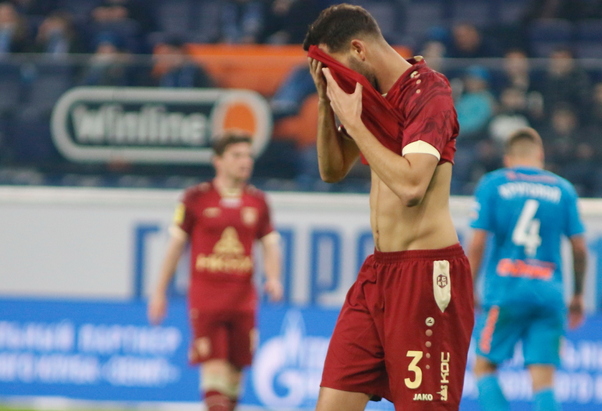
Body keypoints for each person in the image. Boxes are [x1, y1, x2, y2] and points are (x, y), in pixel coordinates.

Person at [304, 4, 474, 411]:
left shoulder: (429, 93)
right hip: (379, 274)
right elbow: (332, 171)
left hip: (427, 276)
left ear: (359, 49)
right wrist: (327, 103)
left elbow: (412, 186)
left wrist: (355, 123)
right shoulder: (370, 97)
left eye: (335, 67)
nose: (335, 77)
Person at [148, 132, 283, 411]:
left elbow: (270, 244)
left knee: (234, 376)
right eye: (237, 155)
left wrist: (273, 278)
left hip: (243, 301)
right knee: (214, 367)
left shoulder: (258, 202)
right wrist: (159, 291)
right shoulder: (195, 199)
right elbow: (175, 247)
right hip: (207, 299)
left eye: (248, 156)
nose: (245, 161)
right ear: (218, 161)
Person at [467, 128, 588, 411]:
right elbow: (580, 248)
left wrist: (469, 286)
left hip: (506, 290)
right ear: (540, 155)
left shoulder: (494, 184)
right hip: (549, 293)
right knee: (543, 380)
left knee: (484, 367)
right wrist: (578, 294)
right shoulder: (563, 189)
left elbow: (478, 243)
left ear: (508, 159)